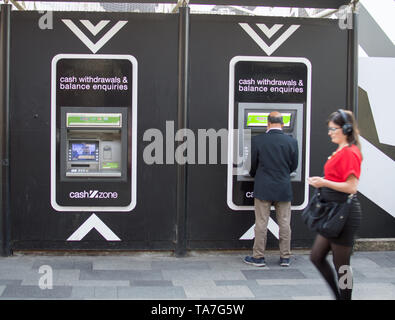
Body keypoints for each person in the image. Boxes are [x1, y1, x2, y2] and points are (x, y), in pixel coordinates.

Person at [307, 109, 362, 300]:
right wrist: (323, 181)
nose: (329, 132)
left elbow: (352, 187)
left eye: (333, 129)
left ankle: (345, 298)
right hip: (333, 210)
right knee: (316, 256)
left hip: (343, 213)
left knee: (342, 265)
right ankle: (338, 297)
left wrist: (324, 183)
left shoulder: (350, 153)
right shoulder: (341, 150)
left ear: (346, 129)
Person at [244, 111, 298, 267]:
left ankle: (258, 257)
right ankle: (285, 257)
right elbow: (294, 165)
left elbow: (252, 165)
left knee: (261, 222)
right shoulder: (291, 141)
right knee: (285, 223)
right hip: (283, 187)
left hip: (263, 187)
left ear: (267, 123)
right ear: (282, 124)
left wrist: (256, 174)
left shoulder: (258, 140)